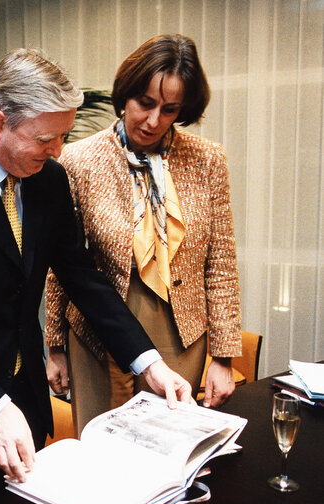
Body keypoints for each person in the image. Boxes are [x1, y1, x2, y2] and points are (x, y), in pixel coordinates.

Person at [0, 48, 193, 502]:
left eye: (64, 136)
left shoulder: (48, 180)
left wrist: (149, 364)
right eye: (45, 138)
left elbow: (83, 278)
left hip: (24, 394)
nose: (57, 150)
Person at [45, 34, 242, 423]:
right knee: (103, 449)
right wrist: (54, 345)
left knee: (166, 447)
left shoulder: (207, 160)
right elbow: (62, 263)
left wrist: (223, 356)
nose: (153, 121)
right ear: (125, 94)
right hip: (96, 327)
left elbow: (220, 261)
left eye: (169, 109)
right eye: (145, 103)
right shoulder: (78, 160)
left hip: (180, 327)